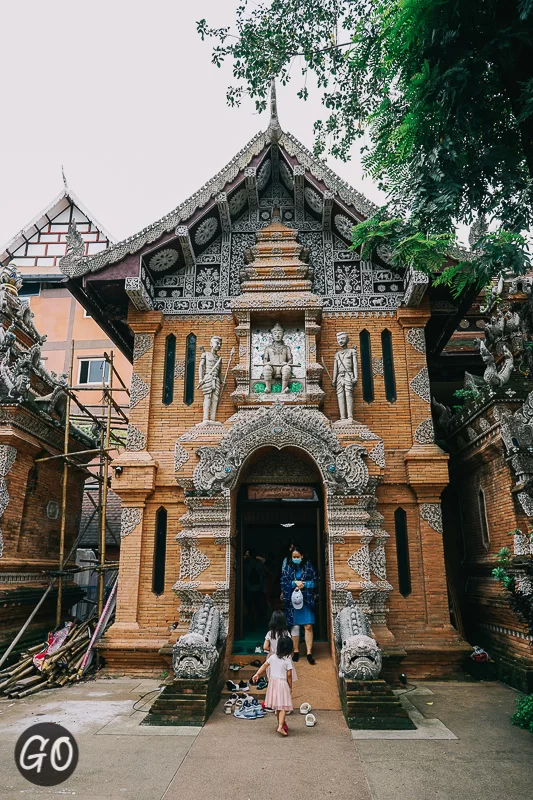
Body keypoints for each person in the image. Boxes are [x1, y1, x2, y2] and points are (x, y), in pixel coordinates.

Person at [280, 545, 317, 664]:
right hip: (293, 601)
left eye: (297, 556)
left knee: (308, 626)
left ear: (302, 556)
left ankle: (309, 653)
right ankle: (296, 651)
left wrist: (305, 584)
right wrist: (292, 583)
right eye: (293, 556)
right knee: (295, 626)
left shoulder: (308, 567)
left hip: (306, 600)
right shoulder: (288, 568)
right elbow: (283, 582)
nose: (295, 558)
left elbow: (315, 581)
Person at [252, 635, 294, 736]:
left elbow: (264, 665)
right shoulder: (287, 661)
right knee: (283, 706)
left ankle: (280, 723)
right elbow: (289, 675)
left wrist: (257, 674)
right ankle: (280, 726)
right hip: (282, 683)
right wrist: (290, 686)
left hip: (273, 683)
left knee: (277, 707)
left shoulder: (273, 657)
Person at [243, 549, 266, 629]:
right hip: (257, 587)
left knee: (249, 606)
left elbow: (244, 574)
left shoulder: (246, 563)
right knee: (256, 606)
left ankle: (250, 623)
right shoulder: (259, 563)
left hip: (248, 587)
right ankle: (255, 622)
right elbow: (262, 574)